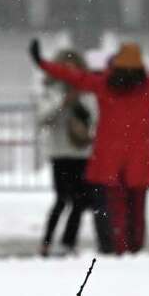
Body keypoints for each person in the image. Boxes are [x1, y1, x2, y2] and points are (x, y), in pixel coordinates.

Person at [30, 38, 149, 255]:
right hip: (139, 160)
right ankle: (134, 249)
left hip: (108, 160)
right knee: (137, 212)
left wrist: (42, 62)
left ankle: (118, 249)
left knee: (115, 211)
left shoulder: (103, 84)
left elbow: (72, 76)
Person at [37, 49, 109, 256]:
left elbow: (95, 117)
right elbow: (42, 118)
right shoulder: (51, 91)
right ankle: (47, 242)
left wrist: (79, 106)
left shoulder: (88, 91)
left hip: (82, 153)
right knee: (61, 199)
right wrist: (62, 104)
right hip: (60, 153)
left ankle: (68, 242)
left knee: (79, 201)